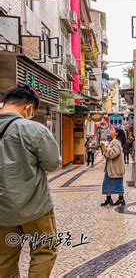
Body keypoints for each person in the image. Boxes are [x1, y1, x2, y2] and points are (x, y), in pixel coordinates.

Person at [0, 85, 61, 277]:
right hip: (36, 207)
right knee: (44, 251)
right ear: (28, 108)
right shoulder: (33, 129)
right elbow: (52, 163)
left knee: (4, 257)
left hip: (2, 211)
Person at [100, 127, 127, 206]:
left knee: (115, 183)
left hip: (114, 167)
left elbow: (114, 154)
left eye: (113, 130)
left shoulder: (115, 142)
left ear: (116, 133)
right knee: (108, 183)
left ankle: (119, 199)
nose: (111, 131)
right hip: (113, 167)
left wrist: (105, 148)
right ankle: (112, 199)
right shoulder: (115, 141)